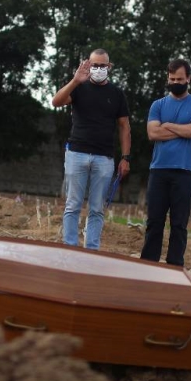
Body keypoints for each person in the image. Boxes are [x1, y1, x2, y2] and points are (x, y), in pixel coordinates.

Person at [51, 49, 130, 249]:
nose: (98, 69)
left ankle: (91, 249)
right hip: (77, 153)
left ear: (109, 67)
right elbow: (56, 101)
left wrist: (125, 157)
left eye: (103, 65)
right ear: (88, 65)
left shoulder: (117, 94)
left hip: (104, 158)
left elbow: (124, 127)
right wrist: (75, 80)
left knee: (97, 208)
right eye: (95, 65)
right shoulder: (79, 88)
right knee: (73, 204)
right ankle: (69, 247)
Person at [140, 59, 191, 267]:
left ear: (188, 78)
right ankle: (148, 264)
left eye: (179, 79)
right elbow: (152, 133)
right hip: (159, 170)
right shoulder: (157, 105)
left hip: (185, 172)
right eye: (172, 79)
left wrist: (168, 126)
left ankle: (174, 266)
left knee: (179, 224)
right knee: (154, 222)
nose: (175, 82)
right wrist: (182, 129)